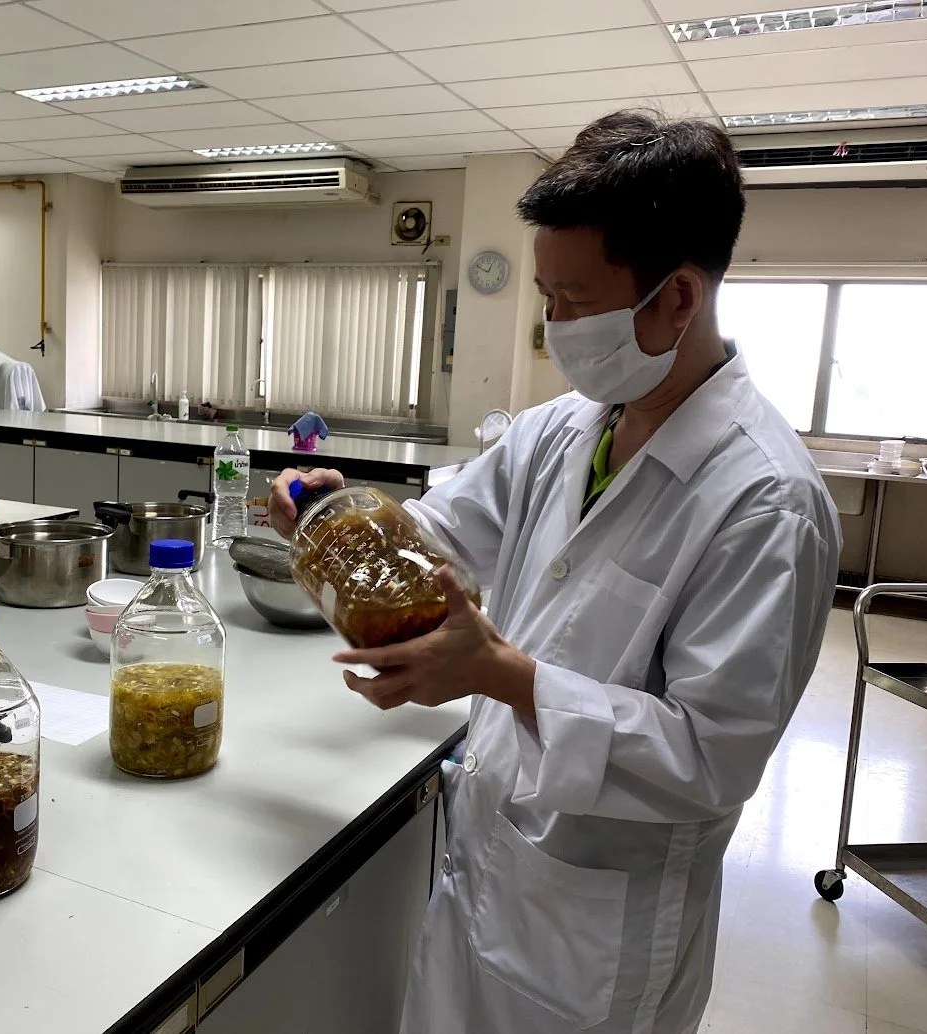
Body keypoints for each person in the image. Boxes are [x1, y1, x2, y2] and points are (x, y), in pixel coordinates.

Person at [269, 110, 841, 1034]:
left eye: (573, 302)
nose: (553, 327)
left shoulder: (763, 502)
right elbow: (441, 538)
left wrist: (503, 674)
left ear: (678, 297)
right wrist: (345, 522)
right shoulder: (564, 428)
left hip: (599, 932)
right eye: (546, 296)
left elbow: (709, 760)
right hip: (488, 863)